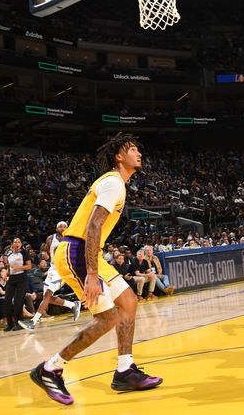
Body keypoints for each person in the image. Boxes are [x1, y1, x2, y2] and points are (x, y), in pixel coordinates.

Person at [29, 133, 162, 406]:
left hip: (90, 252)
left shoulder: (117, 184)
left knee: (128, 301)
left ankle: (125, 369)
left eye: (138, 148)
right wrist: (91, 274)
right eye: (132, 149)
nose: (139, 153)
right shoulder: (113, 182)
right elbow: (93, 227)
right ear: (119, 156)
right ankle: (51, 368)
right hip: (77, 251)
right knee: (108, 318)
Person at [18, 222, 80, 331]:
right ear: (56, 228)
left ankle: (33, 322)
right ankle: (73, 305)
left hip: (63, 270)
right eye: (60, 226)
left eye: (65, 226)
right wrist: (44, 256)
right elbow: (46, 253)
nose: (62, 228)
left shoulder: (71, 239)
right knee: (48, 298)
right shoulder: (50, 238)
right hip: (52, 269)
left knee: (47, 295)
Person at [3, 237, 32, 331]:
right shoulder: (9, 254)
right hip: (11, 279)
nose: (17, 243)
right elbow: (8, 266)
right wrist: (7, 272)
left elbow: (29, 266)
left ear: (21, 244)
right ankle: (10, 323)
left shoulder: (24, 253)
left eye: (19, 242)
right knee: (6, 300)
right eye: (15, 242)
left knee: (17, 301)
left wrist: (18, 267)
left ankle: (19, 323)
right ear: (12, 244)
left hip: (21, 278)